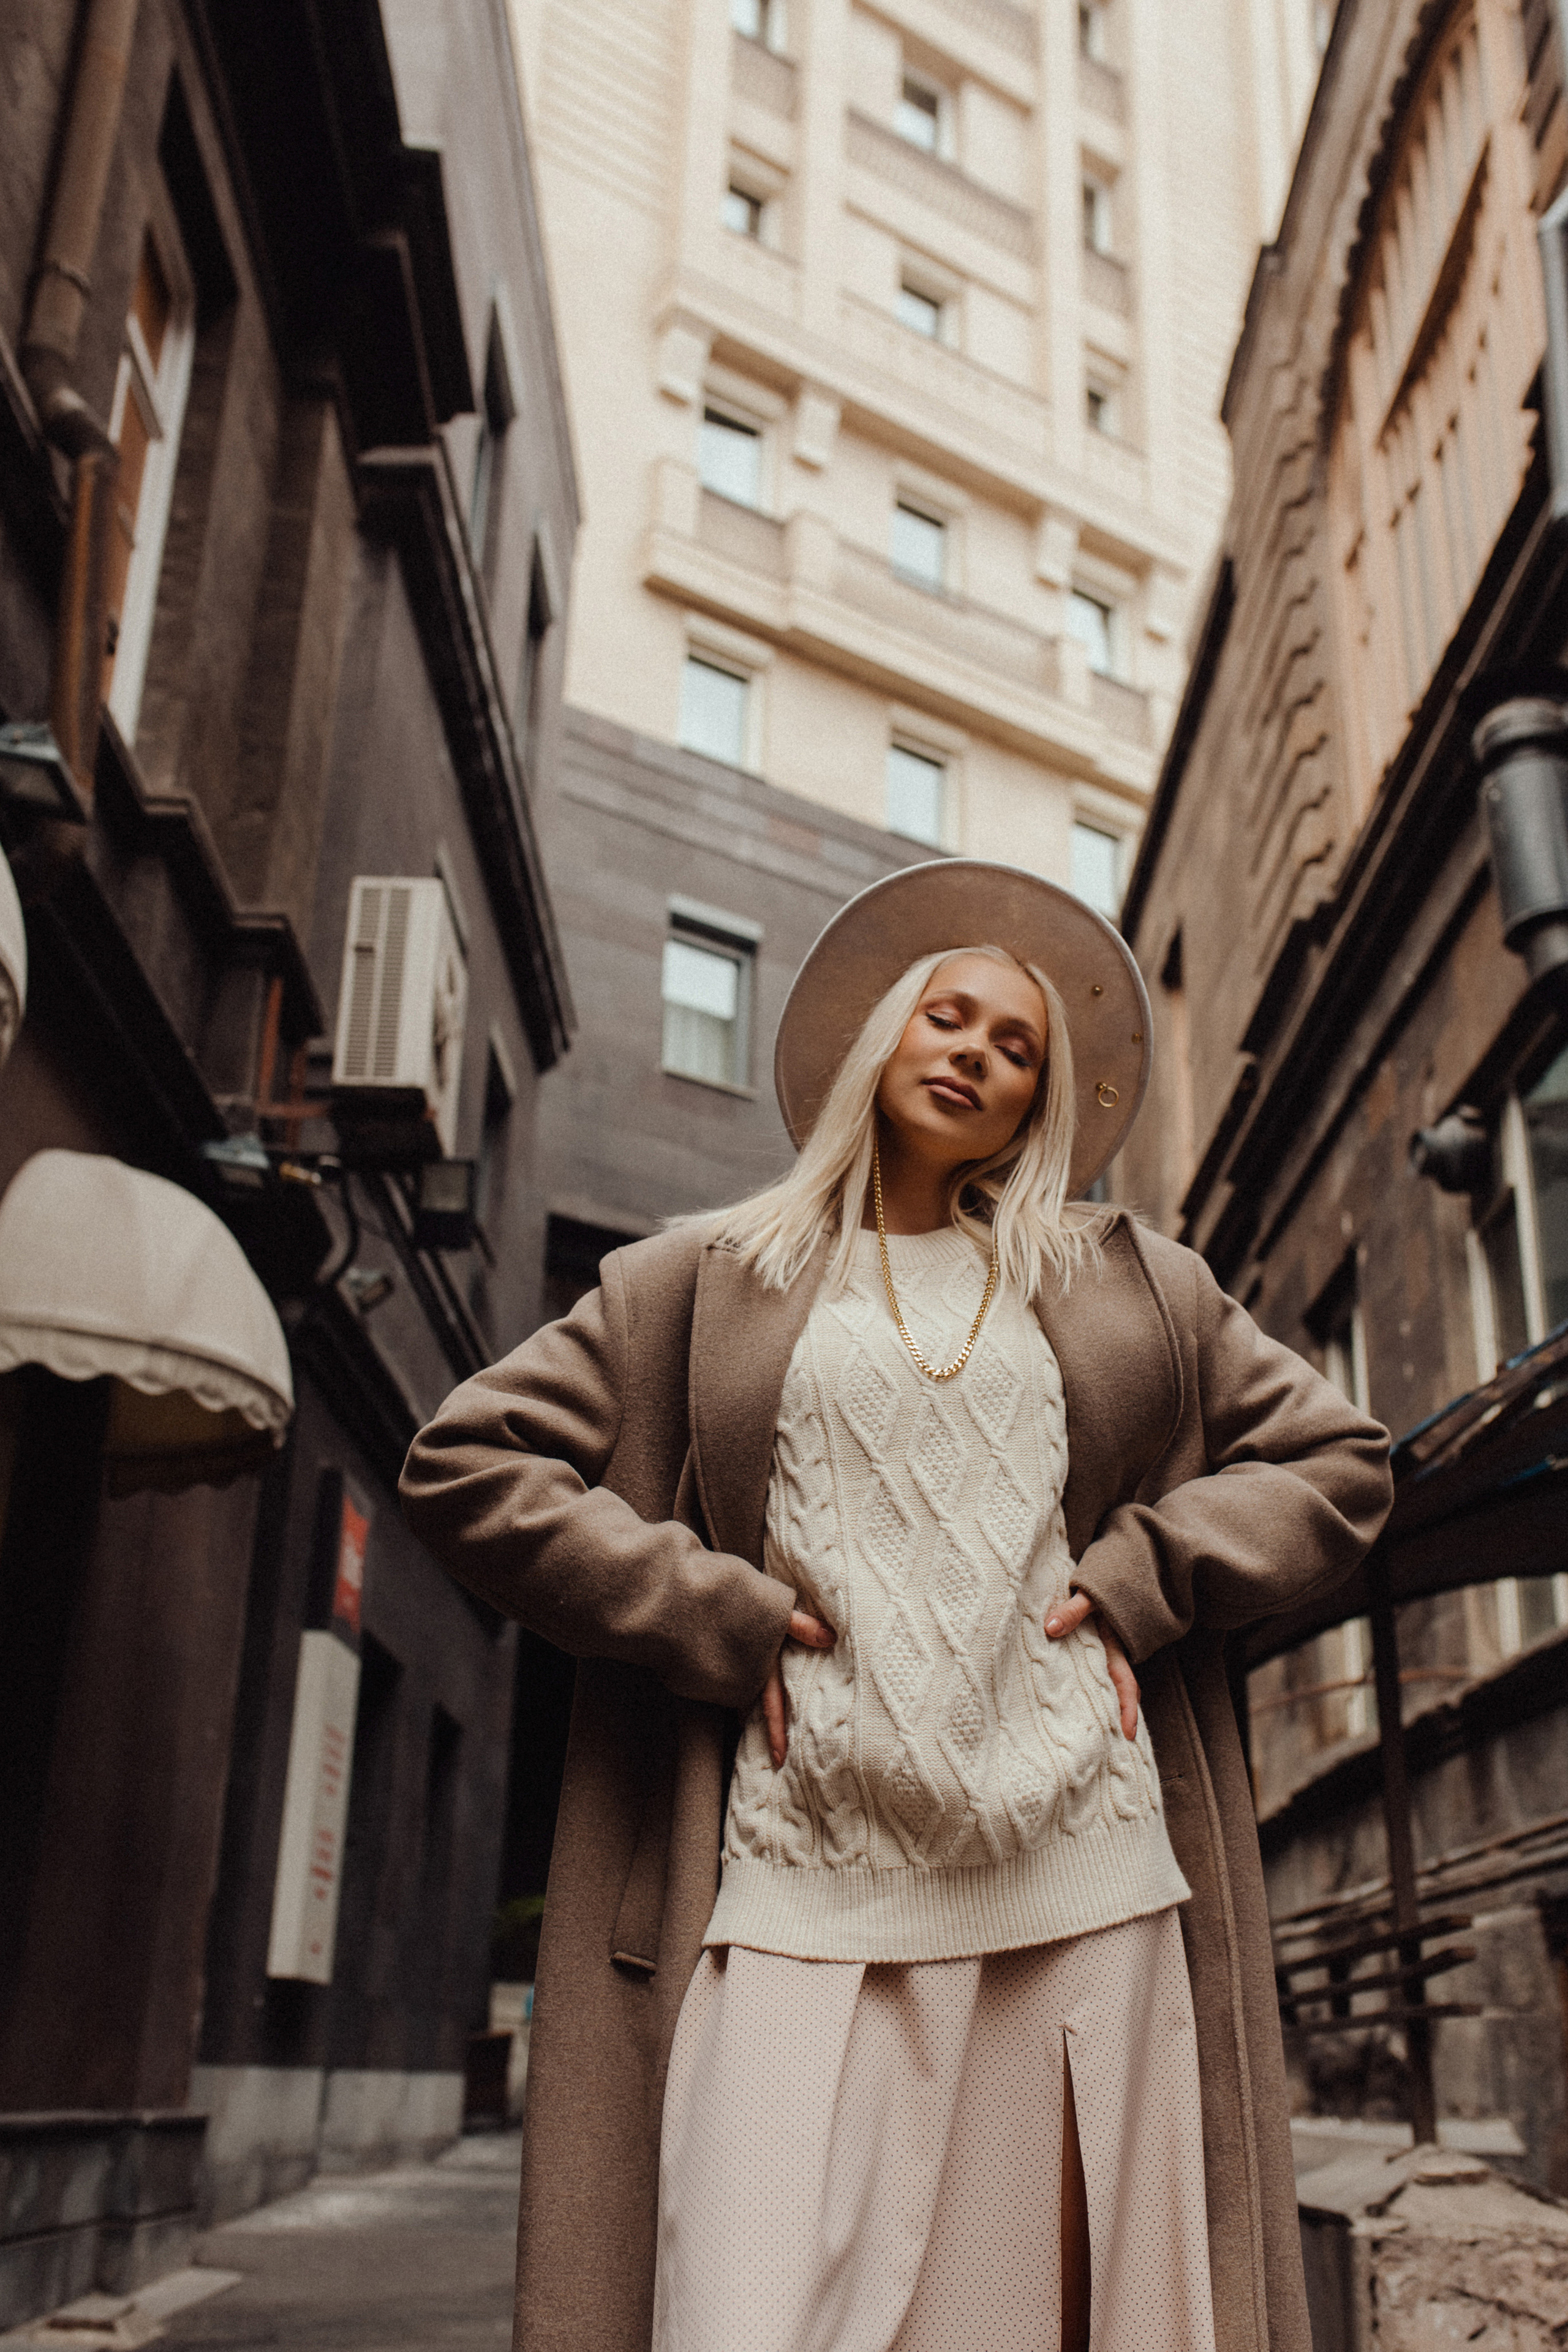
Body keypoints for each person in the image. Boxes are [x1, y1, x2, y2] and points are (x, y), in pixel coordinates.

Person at [400, 860, 1393, 2352]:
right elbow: (467, 1461)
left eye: (1016, 1048)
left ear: (1037, 1103)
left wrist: (1143, 1578)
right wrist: (707, 1612)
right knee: (742, 2316)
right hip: (794, 1877)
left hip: (1082, 1876)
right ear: (884, 1034)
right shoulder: (702, 1278)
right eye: (949, 1017)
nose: (975, 1055)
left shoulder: (1127, 1283)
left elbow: (1339, 1461)